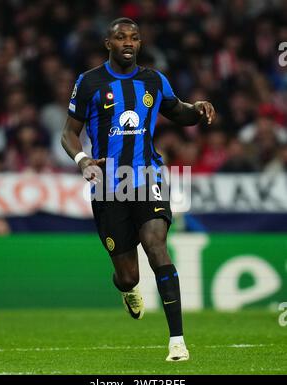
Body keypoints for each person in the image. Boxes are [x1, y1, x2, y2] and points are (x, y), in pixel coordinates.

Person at [61, 17, 215, 362]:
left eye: (134, 37)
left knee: (156, 245)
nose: (128, 42)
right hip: (108, 184)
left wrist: (198, 109)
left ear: (140, 44)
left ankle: (177, 340)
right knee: (128, 275)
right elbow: (68, 133)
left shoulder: (153, 80)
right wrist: (84, 160)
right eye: (120, 37)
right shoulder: (89, 82)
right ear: (108, 43)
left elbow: (180, 113)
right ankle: (127, 289)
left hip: (147, 176)